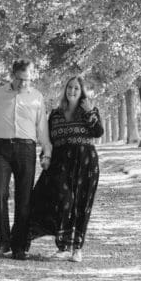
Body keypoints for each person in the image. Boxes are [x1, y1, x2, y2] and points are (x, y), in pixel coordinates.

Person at [0, 59, 52, 260]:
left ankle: (19, 245)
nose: (22, 84)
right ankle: (3, 241)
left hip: (26, 149)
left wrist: (47, 152)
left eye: (26, 80)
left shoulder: (37, 97)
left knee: (24, 199)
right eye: (19, 79)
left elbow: (42, 128)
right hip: (0, 149)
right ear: (12, 75)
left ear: (31, 77)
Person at [28, 75, 103, 263]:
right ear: (65, 89)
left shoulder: (90, 110)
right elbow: (48, 140)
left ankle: (77, 248)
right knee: (64, 199)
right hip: (61, 162)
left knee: (81, 204)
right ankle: (63, 247)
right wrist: (45, 157)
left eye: (76, 88)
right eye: (70, 87)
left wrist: (89, 112)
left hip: (86, 163)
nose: (72, 91)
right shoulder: (55, 114)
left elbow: (98, 132)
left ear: (82, 92)